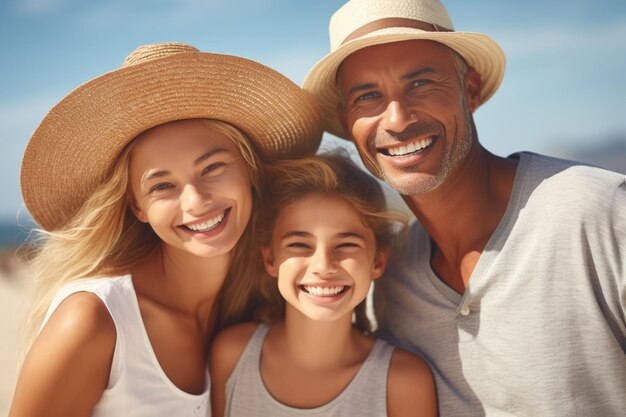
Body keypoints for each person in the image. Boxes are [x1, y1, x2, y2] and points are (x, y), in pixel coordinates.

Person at [303, 0, 626, 416]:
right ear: (349, 122)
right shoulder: (386, 279)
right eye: (368, 96)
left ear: (469, 90)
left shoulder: (599, 212)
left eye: (420, 83)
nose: (397, 120)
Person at [9, 42, 322, 417]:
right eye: (162, 186)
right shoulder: (93, 320)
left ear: (250, 169)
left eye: (212, 168)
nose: (195, 201)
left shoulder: (268, 298)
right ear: (137, 207)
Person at [209, 152, 437, 417]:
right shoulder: (232, 354)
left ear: (377, 261)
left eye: (346, 245)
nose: (323, 265)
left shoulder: (403, 382)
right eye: (299, 245)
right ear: (270, 259)